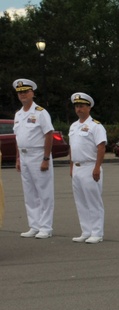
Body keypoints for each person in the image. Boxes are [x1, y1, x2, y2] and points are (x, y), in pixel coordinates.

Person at [12, 78, 55, 239]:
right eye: (20, 92)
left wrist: (46, 158)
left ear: (32, 93)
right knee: (29, 193)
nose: (23, 95)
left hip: (38, 155)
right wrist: (17, 158)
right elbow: (19, 138)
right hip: (23, 156)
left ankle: (46, 227)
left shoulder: (40, 112)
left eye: (25, 92)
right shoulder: (18, 114)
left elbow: (49, 134)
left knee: (44, 192)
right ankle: (34, 225)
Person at [67, 92, 107, 243]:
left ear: (89, 107)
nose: (79, 109)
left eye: (82, 106)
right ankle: (86, 231)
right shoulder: (74, 126)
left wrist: (97, 167)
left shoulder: (95, 126)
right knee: (81, 201)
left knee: (93, 201)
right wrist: (71, 166)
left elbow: (101, 147)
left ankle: (97, 233)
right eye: (77, 106)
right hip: (77, 167)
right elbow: (72, 147)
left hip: (90, 167)